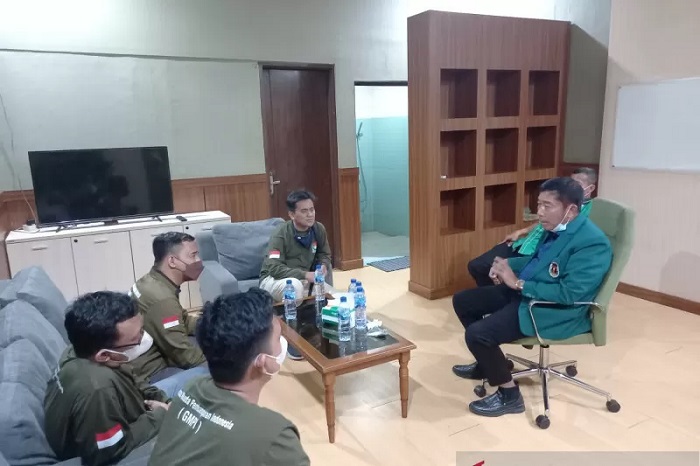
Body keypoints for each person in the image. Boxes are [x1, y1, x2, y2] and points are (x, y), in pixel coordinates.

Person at [451, 177, 612, 417]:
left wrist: (518, 283)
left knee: (478, 334)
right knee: (463, 301)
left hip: (552, 309)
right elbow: (538, 262)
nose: (540, 212)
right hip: (529, 293)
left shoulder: (592, 244)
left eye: (547, 206)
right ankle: (490, 364)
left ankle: (509, 396)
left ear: (571, 210)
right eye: (539, 204)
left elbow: (569, 294)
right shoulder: (557, 228)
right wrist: (506, 264)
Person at [147, 288, 310, 466]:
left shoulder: (191, 388)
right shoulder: (275, 437)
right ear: (262, 362)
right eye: (278, 338)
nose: (283, 343)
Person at [44, 291, 169, 466]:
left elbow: (133, 380)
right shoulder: (96, 389)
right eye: (136, 339)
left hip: (137, 408)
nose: (143, 339)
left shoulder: (83, 350)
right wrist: (160, 415)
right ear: (104, 355)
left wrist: (165, 401)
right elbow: (110, 449)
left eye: (141, 330)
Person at [467, 167, 598, 287]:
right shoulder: (562, 201)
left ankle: (497, 297)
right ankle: (493, 296)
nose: (573, 188)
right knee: (476, 266)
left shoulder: (587, 211)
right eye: (571, 182)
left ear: (591, 188)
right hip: (522, 244)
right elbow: (542, 222)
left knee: (491, 271)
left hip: (533, 252)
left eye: (578, 184)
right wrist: (521, 232)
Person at [129, 232, 209, 397]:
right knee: (217, 374)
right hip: (151, 374)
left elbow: (182, 320)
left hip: (150, 359)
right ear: (172, 261)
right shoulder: (162, 299)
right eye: (193, 255)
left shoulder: (151, 281)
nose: (198, 261)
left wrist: (213, 325)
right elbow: (183, 354)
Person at [260, 190, 333, 303]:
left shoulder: (318, 229)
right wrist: (305, 274)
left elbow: (324, 254)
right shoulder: (281, 233)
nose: (310, 214)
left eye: (312, 210)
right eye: (304, 211)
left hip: (303, 279)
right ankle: (289, 314)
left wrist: (323, 265)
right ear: (292, 215)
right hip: (273, 279)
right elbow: (274, 268)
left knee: (333, 296)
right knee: (294, 287)